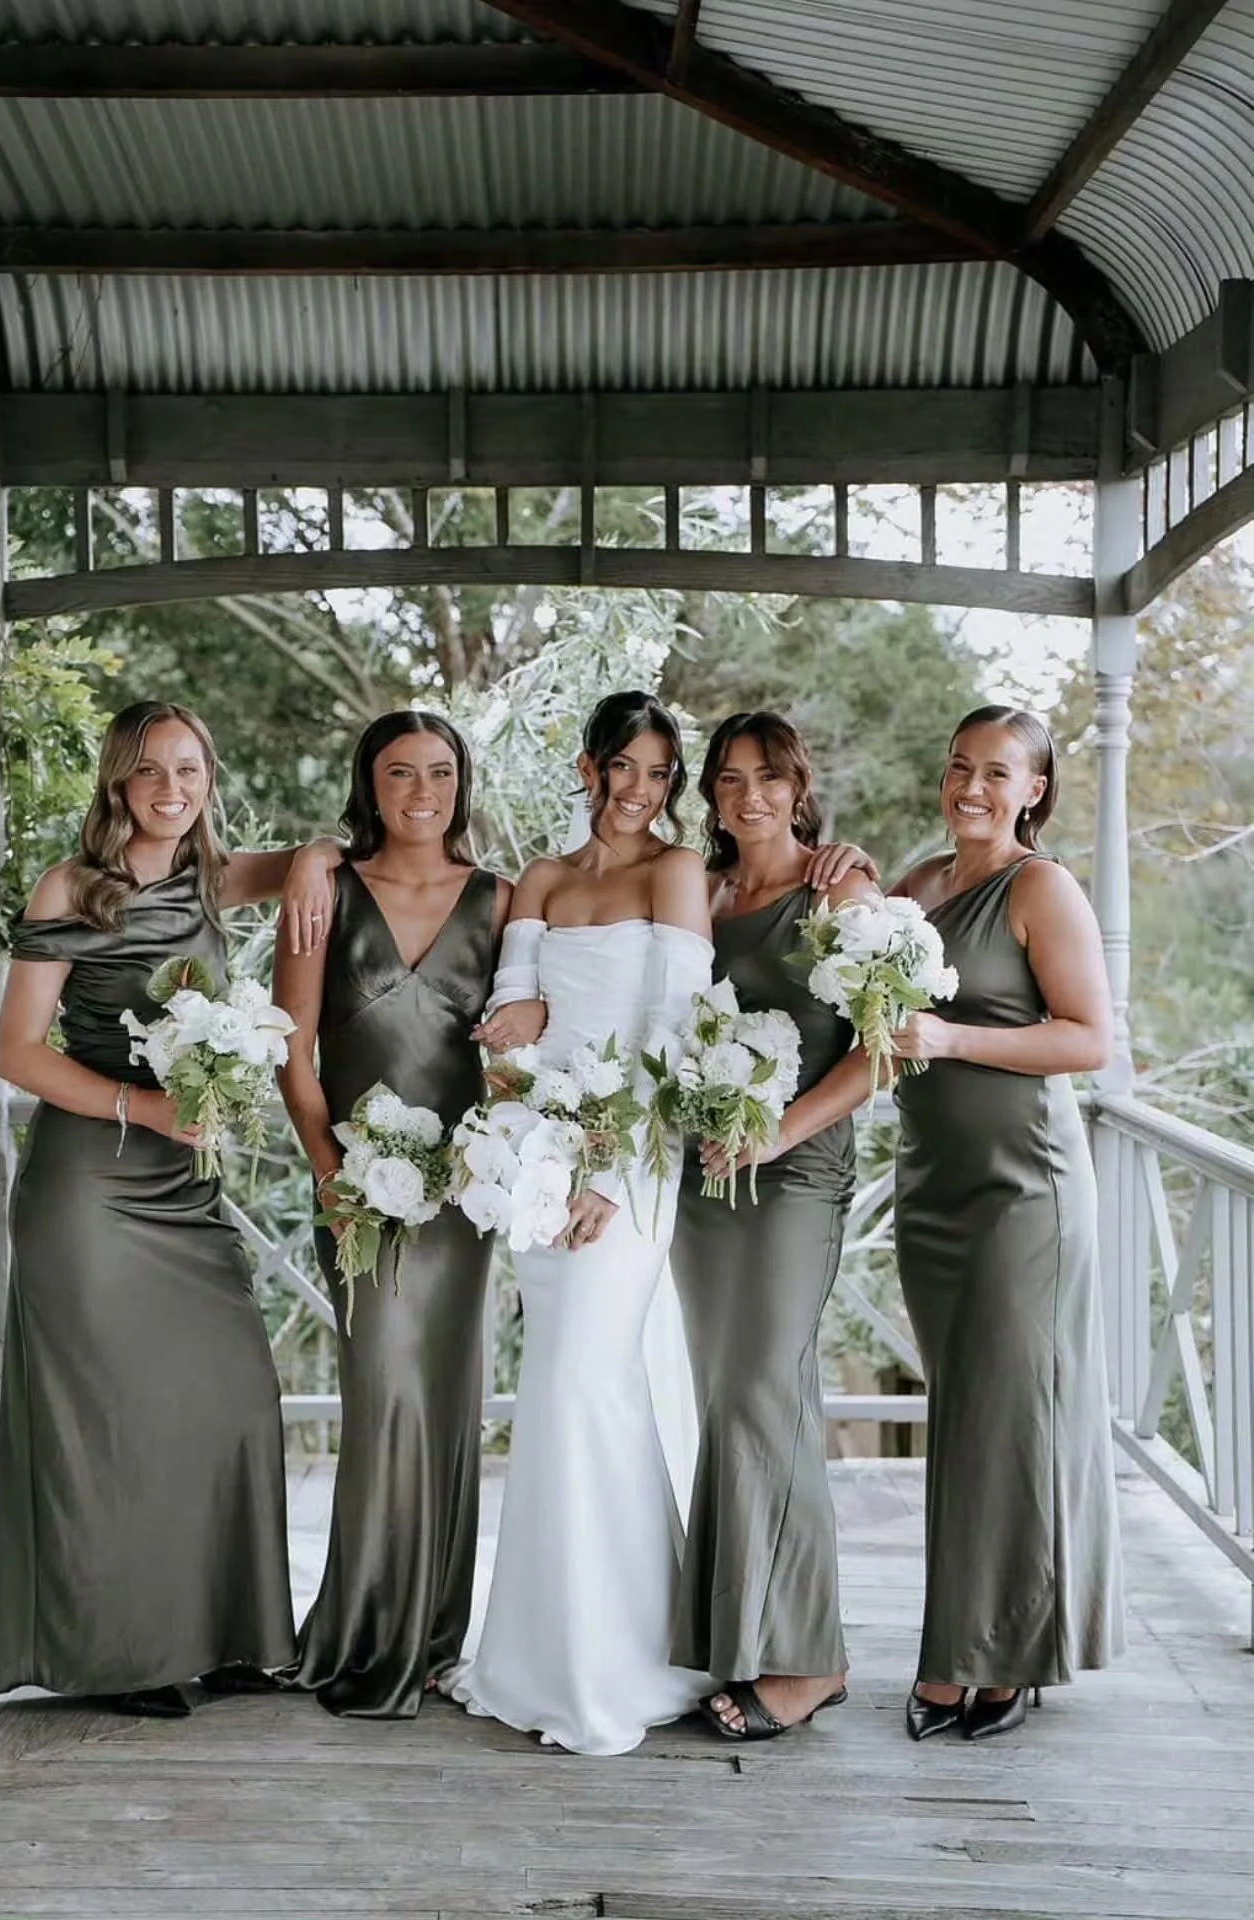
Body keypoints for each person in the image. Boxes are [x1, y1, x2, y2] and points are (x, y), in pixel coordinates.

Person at [775, 704, 1123, 1742]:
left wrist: (952, 1037)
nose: (972, 787)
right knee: (970, 1417)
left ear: (1035, 792)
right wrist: (836, 869)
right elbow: (858, 977)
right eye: (959, 767)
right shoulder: (922, 886)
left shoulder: (1042, 888)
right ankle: (971, 1640)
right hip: (933, 1183)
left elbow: (1090, 1039)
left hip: (1025, 1189)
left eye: (997, 773)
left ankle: (992, 1657)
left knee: (1012, 1420)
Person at [0, 698, 313, 1717]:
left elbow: (314, 856)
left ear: (210, 780)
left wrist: (320, 859)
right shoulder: (70, 887)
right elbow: (17, 1051)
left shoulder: (217, 876)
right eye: (152, 773)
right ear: (118, 781)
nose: (172, 791)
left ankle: (236, 1636)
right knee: (114, 1423)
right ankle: (130, 1652)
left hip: (184, 1184)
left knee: (234, 1395)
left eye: (191, 772)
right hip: (91, 1181)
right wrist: (144, 1105)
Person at [440, 690, 715, 1755]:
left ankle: (624, 1659)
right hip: (545, 1162)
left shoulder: (675, 873)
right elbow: (507, 1035)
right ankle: (542, 1654)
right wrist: (523, 1150)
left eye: (658, 774)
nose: (638, 791)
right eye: (622, 767)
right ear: (588, 767)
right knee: (557, 1393)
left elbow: (676, 1030)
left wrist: (611, 1168)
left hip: (634, 1166)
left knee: (588, 1387)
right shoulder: (543, 882)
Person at [273, 713, 515, 1717]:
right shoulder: (326, 889)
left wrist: (500, 1154)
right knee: (384, 1394)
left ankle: (436, 1637)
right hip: (358, 1191)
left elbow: (524, 1039)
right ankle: (370, 1630)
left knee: (449, 1400)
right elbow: (293, 1053)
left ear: (464, 783)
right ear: (369, 786)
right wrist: (334, 1175)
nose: (424, 789)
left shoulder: (504, 899)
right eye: (401, 772)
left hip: (464, 1195)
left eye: (443, 771)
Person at [673, 712, 878, 1742]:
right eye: (728, 780)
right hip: (703, 1180)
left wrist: (777, 1133)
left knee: (764, 1386)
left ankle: (812, 1661)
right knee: (737, 1398)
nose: (748, 797)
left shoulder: (838, 888)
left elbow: (881, 1051)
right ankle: (751, 1636)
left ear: (799, 787)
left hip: (796, 1175)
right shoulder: (704, 897)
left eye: (768, 778)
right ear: (710, 794)